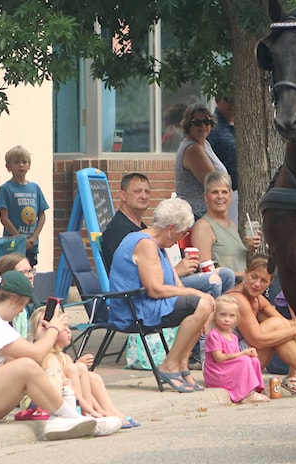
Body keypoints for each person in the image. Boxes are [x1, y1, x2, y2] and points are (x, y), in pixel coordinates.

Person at [0, 270, 98, 440]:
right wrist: (53, 329)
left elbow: (16, 358)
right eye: (22, 306)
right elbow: (35, 356)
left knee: (23, 364)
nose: (21, 312)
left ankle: (66, 416)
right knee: (26, 367)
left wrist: (41, 339)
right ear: (14, 300)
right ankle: (67, 417)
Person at [107, 197, 216, 393]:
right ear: (171, 228)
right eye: (182, 233)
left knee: (206, 303)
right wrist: (196, 294)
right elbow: (155, 289)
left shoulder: (159, 245)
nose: (180, 239)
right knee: (201, 302)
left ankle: (182, 365)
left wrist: (203, 299)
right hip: (135, 308)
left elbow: (177, 284)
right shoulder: (145, 244)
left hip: (149, 304)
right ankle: (169, 365)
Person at [101, 172, 235, 298]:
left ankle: (225, 314)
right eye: (137, 191)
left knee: (226, 275)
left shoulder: (142, 227)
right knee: (212, 281)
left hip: (166, 280)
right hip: (142, 295)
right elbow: (129, 277)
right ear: (123, 195)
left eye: (147, 191)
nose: (144, 196)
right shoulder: (120, 231)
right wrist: (178, 270)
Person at [26, 308, 135, 431]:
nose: (68, 330)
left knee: (93, 377)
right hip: (40, 401)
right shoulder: (45, 356)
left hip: (66, 397)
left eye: (67, 326)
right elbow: (65, 383)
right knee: (76, 369)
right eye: (63, 327)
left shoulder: (63, 356)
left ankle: (110, 411)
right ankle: (92, 412)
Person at [226, 257, 296, 395]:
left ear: (270, 283)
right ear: (245, 273)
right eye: (253, 277)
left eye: (264, 281)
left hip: (243, 361)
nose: (257, 284)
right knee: (279, 327)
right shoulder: (237, 298)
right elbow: (256, 340)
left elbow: (285, 324)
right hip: (225, 367)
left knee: (281, 326)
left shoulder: (258, 299)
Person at [190, 172, 260, 280]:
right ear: (205, 197)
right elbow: (207, 274)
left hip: (245, 287)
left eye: (224, 192)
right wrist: (245, 276)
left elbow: (243, 265)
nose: (220, 196)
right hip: (226, 291)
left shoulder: (231, 224)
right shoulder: (203, 226)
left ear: (230, 196)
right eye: (214, 192)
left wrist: (251, 249)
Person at [203, 295, 268, 404]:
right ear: (214, 316)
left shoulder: (233, 337)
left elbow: (234, 359)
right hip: (217, 372)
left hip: (227, 369)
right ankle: (247, 394)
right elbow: (219, 358)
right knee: (244, 360)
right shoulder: (214, 335)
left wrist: (246, 354)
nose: (227, 319)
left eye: (231, 316)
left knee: (253, 360)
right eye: (222, 315)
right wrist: (242, 354)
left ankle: (255, 389)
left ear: (236, 318)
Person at [0, 146, 49, 268]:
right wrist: (20, 239)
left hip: (31, 244)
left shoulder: (35, 188)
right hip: (13, 244)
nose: (21, 165)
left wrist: (34, 237)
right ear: (8, 167)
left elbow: (42, 215)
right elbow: (4, 218)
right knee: (13, 271)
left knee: (29, 271)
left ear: (29, 165)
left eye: (24, 162)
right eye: (16, 162)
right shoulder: (5, 189)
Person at [175, 102, 227, 220]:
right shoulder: (193, 149)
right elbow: (214, 185)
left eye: (206, 121)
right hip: (196, 214)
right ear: (188, 125)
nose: (203, 126)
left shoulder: (204, 144)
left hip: (205, 213)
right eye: (197, 123)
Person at [206, 96, 239, 228]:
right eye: (228, 100)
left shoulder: (243, 124)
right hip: (225, 194)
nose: (233, 104)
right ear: (217, 100)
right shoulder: (213, 129)